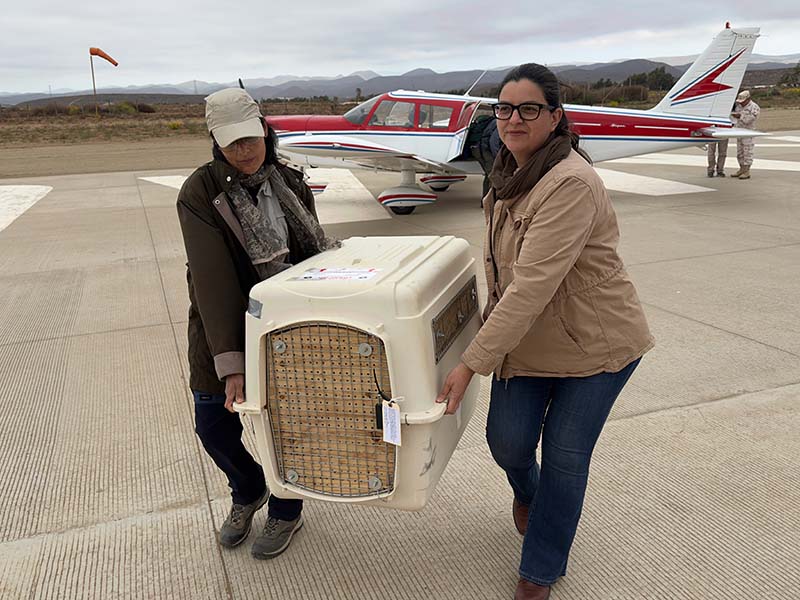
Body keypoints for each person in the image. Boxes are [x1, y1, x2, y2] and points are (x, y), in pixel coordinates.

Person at [436, 64, 654, 600]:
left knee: (564, 456)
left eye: (529, 108)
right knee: (506, 442)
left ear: (555, 117)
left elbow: (532, 285)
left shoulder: (570, 182)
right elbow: (499, 271)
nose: (513, 119)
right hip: (528, 342)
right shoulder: (506, 173)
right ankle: (526, 491)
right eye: (503, 108)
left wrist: (471, 361)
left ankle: (539, 571)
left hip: (596, 346)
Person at [177, 88, 335, 559]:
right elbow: (213, 279)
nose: (244, 151)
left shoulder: (291, 182)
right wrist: (232, 363)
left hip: (286, 330)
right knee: (213, 424)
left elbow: (311, 259)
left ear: (265, 129)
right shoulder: (200, 192)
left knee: (289, 426)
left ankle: (286, 508)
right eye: (232, 143)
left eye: (251, 138)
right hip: (220, 323)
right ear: (215, 142)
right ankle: (247, 489)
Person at [731, 90, 760, 179]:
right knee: (740, 153)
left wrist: (740, 116)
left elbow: (750, 119)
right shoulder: (739, 106)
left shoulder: (754, 107)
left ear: (748, 99)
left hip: (748, 132)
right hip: (739, 131)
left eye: (743, 101)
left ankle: (747, 171)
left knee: (747, 152)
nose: (741, 103)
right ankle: (741, 169)